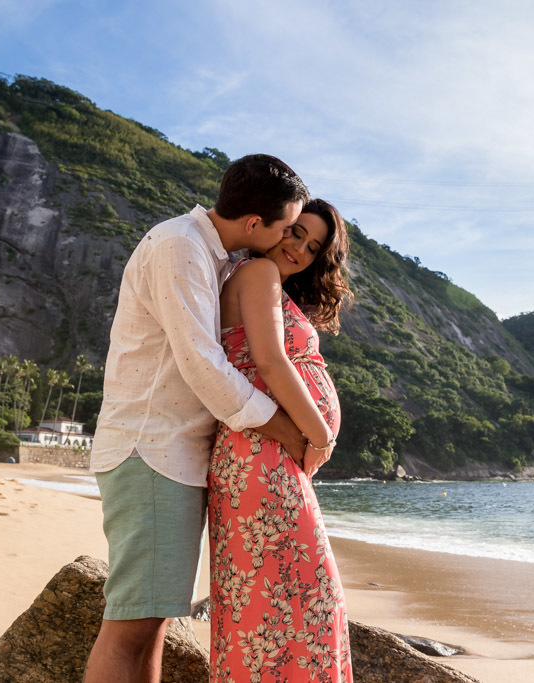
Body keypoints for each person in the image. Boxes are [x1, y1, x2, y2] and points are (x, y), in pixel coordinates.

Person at [84, 155, 311, 683]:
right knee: (130, 626)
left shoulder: (214, 256)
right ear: (253, 223)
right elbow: (203, 366)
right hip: (151, 452)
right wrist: (289, 431)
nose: (288, 239)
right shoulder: (179, 246)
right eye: (285, 227)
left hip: (173, 457)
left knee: (153, 623)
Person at [208, 198, 353, 682]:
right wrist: (321, 437)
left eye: (314, 247)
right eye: (297, 233)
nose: (301, 250)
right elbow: (271, 362)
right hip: (260, 456)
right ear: (278, 225)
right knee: (310, 604)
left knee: (264, 612)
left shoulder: (257, 278)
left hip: (260, 455)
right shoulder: (259, 273)